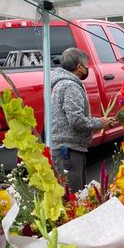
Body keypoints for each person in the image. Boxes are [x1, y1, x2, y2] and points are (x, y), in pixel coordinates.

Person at [51, 47, 114, 191]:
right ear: (79, 67)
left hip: (65, 148)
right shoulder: (70, 86)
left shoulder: (61, 83)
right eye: (87, 66)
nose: (88, 69)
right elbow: (76, 120)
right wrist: (100, 123)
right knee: (74, 196)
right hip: (69, 150)